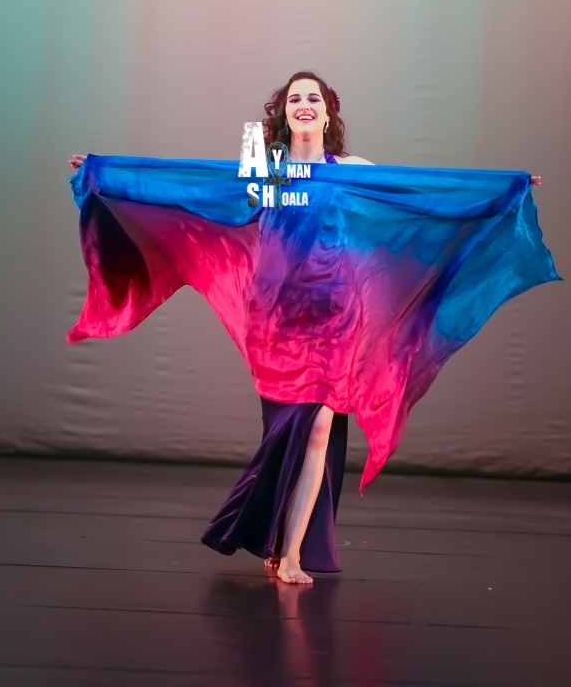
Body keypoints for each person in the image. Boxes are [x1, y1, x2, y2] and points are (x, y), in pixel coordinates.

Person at [68, 71, 544, 586]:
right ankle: (274, 541)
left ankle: (291, 553)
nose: (304, 104)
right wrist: (105, 174)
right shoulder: (265, 168)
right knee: (285, 433)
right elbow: (193, 187)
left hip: (337, 315)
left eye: (313, 97)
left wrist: (504, 192)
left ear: (327, 111)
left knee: (318, 427)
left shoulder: (353, 172)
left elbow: (424, 198)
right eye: (294, 98)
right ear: (284, 113)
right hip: (276, 318)